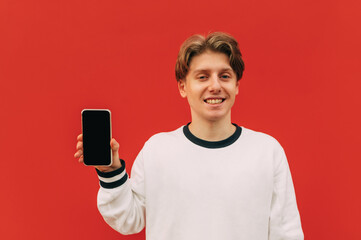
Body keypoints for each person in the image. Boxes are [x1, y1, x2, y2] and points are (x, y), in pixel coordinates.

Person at [74, 32, 304, 240]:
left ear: (236, 86)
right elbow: (128, 220)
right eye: (202, 77)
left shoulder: (266, 151)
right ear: (183, 87)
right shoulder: (157, 150)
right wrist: (110, 171)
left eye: (224, 76)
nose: (215, 86)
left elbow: (286, 233)